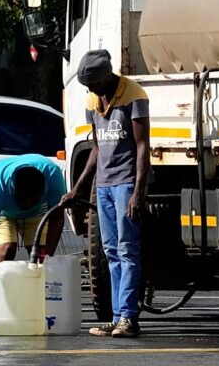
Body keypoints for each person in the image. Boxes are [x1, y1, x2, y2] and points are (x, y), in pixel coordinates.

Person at [60, 49, 150, 338]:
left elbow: (142, 147)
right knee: (111, 251)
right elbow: (96, 150)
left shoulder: (134, 95)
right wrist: (77, 189)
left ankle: (129, 317)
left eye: (95, 85)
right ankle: (116, 316)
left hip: (126, 184)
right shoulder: (92, 100)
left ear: (107, 77)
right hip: (104, 186)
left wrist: (138, 191)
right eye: (88, 87)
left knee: (127, 250)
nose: (92, 92)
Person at [0, 154, 67, 333]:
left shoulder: (53, 176)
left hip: (37, 214)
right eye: (24, 201)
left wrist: (46, 258)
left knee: (40, 257)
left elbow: (57, 219)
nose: (27, 205)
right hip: (5, 212)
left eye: (33, 199)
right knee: (3, 252)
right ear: (14, 192)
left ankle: (41, 312)